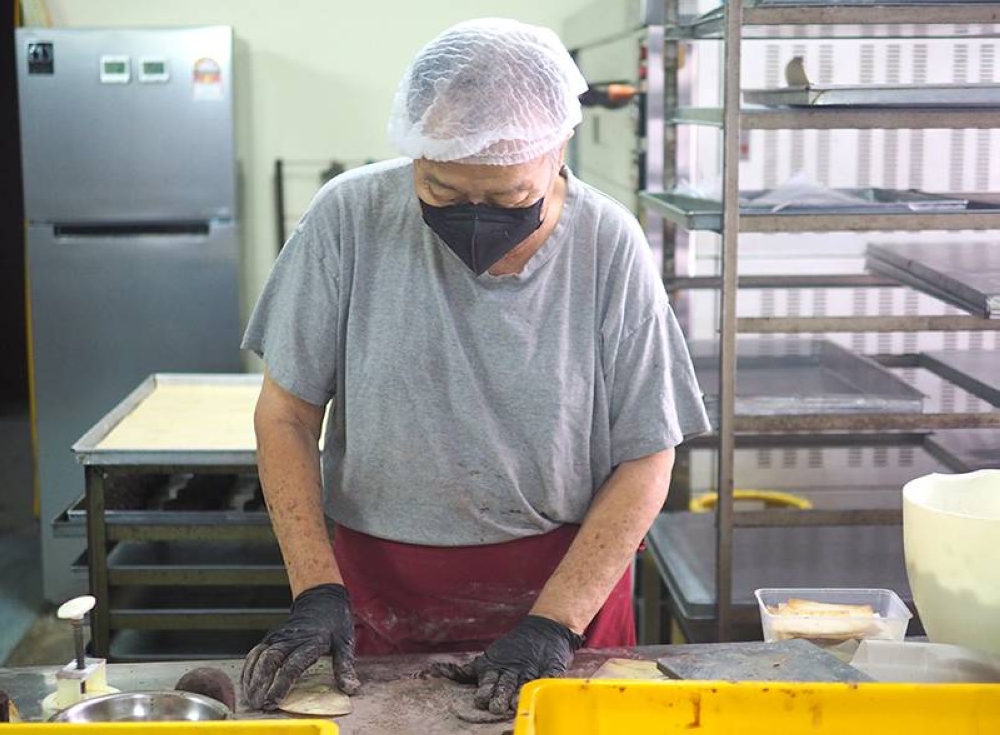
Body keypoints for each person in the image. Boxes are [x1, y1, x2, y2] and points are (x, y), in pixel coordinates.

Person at [239, 17, 710, 716]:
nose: (476, 217)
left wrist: (554, 624)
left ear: (558, 148)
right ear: (416, 150)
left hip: (563, 595)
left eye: (509, 196)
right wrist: (316, 589)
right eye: (444, 191)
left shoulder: (609, 244)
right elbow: (286, 412)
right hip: (381, 591)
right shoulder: (349, 218)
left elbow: (647, 456)